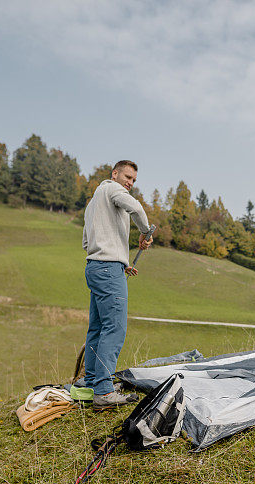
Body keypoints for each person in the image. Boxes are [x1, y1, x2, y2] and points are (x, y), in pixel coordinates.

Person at [82, 160, 153, 410]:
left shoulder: (94, 203)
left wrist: (120, 262)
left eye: (133, 180)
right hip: (107, 269)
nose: (130, 183)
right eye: (127, 177)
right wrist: (145, 232)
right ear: (115, 174)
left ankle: (90, 383)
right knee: (115, 328)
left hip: (95, 266)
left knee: (98, 328)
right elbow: (136, 208)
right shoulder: (112, 188)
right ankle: (103, 391)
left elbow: (88, 241)